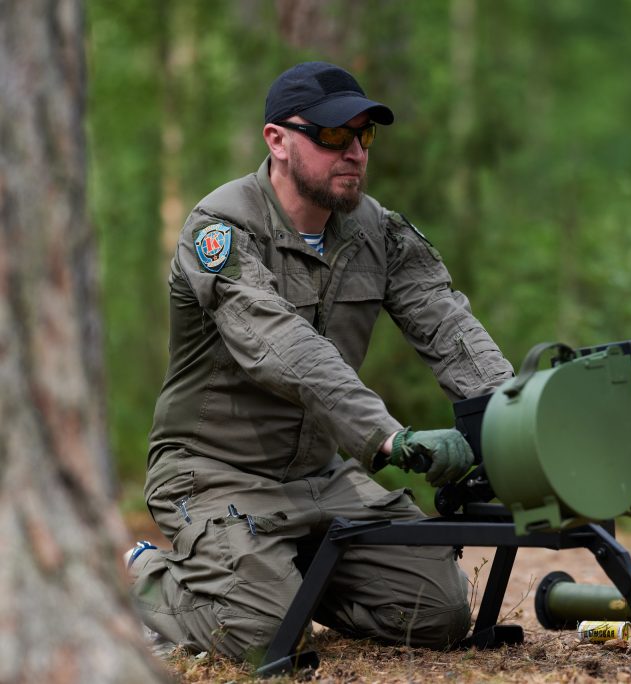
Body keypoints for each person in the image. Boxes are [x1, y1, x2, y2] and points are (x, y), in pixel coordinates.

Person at [126, 61, 514, 661]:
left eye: (365, 136)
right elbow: (279, 344)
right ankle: (147, 577)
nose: (354, 151)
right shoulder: (221, 227)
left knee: (438, 614)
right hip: (211, 473)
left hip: (319, 478)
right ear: (276, 140)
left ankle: (282, 574)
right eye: (333, 135)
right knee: (264, 639)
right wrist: (388, 437)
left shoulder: (377, 232)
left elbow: (448, 325)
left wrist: (512, 414)